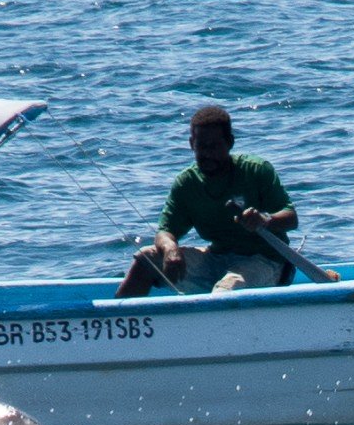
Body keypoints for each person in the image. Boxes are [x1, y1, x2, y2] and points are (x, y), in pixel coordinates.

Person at [115, 103, 297, 298]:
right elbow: (165, 232)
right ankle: (116, 323)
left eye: (215, 146)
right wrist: (169, 249)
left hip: (266, 261)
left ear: (230, 143)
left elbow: (291, 218)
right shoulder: (187, 183)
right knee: (146, 259)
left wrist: (266, 221)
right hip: (216, 259)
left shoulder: (256, 171)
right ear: (191, 144)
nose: (208, 154)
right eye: (201, 146)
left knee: (225, 291)